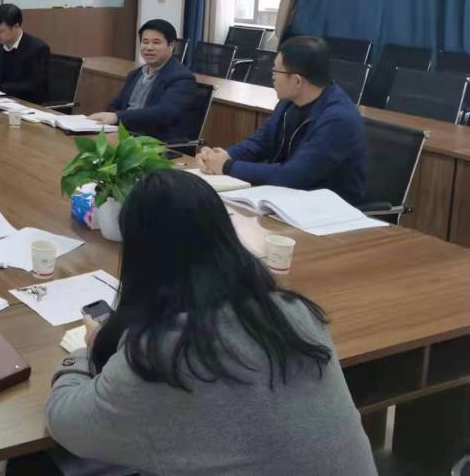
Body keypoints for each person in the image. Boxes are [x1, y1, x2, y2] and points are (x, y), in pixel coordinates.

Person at [39, 169, 376, 476]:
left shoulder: (159, 354)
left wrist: (85, 351)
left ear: (140, 259)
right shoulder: (297, 312)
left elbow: (64, 422)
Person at [197, 35, 368, 204]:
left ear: (297, 81)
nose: (272, 76)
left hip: (328, 211)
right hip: (288, 200)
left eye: (276, 71)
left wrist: (227, 166)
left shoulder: (338, 120)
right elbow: (260, 143)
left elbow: (293, 176)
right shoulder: (289, 102)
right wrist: (222, 156)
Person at [88, 19, 199, 142]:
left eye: (156, 42)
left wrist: (117, 117)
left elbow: (164, 113)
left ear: (171, 46)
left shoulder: (182, 78)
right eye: (145, 42)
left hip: (154, 142)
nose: (149, 47)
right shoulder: (135, 74)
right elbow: (116, 104)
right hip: (125, 135)